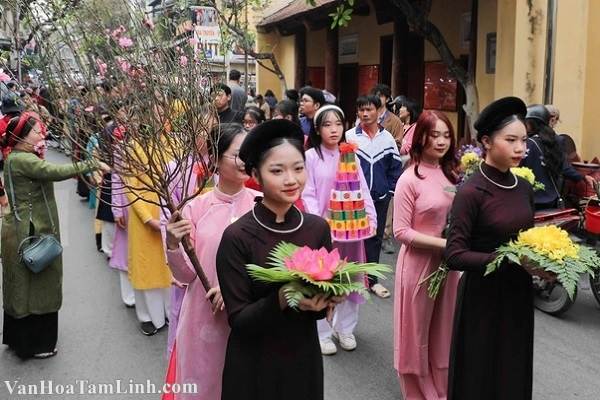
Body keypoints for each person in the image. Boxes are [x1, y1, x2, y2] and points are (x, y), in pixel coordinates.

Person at [216, 119, 341, 400]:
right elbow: (239, 320)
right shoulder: (237, 237)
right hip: (253, 366)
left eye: (298, 168)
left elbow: (319, 310)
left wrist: (329, 300)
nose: (291, 179)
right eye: (277, 170)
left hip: (302, 361)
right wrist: (283, 297)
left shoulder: (316, 228)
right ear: (255, 175)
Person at [444, 96, 551, 400]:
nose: (521, 148)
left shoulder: (524, 188)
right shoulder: (471, 191)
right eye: (511, 140)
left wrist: (545, 262)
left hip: (517, 296)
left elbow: (525, 239)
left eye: (524, 140)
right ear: (487, 142)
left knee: (512, 371)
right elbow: (454, 254)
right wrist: (507, 260)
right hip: (482, 298)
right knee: (479, 375)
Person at [163, 123, 259, 400]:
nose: (246, 162)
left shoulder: (261, 205)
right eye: (238, 155)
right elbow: (185, 276)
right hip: (204, 318)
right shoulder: (195, 208)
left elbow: (273, 266)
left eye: (250, 154)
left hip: (250, 315)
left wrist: (236, 291)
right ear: (215, 159)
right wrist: (172, 244)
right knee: (204, 386)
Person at [1, 112, 108, 359]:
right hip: (32, 233)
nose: (41, 135)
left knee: (21, 287)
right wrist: (90, 163)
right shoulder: (24, 161)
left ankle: (20, 339)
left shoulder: (15, 158)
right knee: (41, 285)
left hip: (20, 231)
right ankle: (38, 344)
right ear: (21, 137)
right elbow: (54, 171)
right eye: (36, 132)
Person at [393, 110, 460, 399]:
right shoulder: (410, 178)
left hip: (450, 266)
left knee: (444, 331)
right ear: (421, 137)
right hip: (420, 266)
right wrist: (444, 245)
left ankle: (443, 388)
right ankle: (420, 391)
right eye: (435, 135)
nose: (442, 141)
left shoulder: (452, 175)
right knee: (416, 334)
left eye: (446, 135)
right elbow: (401, 232)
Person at [302, 104, 376, 355]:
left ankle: (345, 328)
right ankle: (322, 331)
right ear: (317, 128)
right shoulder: (311, 156)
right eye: (327, 124)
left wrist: (370, 216)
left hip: (352, 231)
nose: (334, 129)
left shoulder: (350, 154)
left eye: (338, 124)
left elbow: (362, 188)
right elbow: (308, 192)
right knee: (324, 279)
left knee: (350, 278)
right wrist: (318, 223)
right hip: (324, 231)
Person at [346, 95, 402, 299]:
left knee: (374, 239)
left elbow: (395, 168)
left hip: (379, 198)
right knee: (352, 239)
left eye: (369, 109)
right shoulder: (349, 136)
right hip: (353, 200)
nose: (365, 114)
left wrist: (389, 192)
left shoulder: (387, 139)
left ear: (379, 112)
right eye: (361, 110)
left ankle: (371, 280)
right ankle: (350, 279)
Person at [521, 104, 593, 209]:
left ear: (532, 122)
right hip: (552, 198)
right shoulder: (557, 140)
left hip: (530, 198)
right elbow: (565, 168)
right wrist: (582, 176)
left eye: (525, 122)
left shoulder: (527, 143)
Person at [392, 96, 422, 164]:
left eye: (402, 107)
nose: (399, 109)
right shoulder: (400, 125)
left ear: (409, 110)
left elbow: (407, 148)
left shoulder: (415, 127)